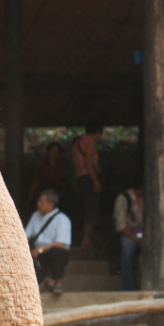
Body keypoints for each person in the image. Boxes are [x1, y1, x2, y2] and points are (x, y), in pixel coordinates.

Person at [24, 188, 71, 295]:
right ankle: (46, 280)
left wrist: (39, 250)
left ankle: (57, 282)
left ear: (50, 205)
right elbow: (26, 235)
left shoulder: (62, 219)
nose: (38, 204)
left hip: (53, 253)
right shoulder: (35, 216)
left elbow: (60, 243)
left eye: (41, 202)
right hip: (38, 252)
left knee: (56, 251)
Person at [71, 120, 103, 248]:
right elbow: (89, 162)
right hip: (88, 177)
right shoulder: (90, 141)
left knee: (85, 206)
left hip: (80, 177)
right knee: (90, 206)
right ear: (98, 131)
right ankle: (86, 238)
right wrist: (95, 180)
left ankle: (85, 237)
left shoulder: (78, 141)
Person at [113, 183, 144, 291]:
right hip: (130, 234)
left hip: (148, 233)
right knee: (127, 249)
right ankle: (129, 288)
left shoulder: (150, 198)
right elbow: (120, 226)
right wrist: (136, 238)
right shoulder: (124, 198)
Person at [27, 141, 67, 209]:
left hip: (59, 190)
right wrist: (30, 197)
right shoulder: (41, 164)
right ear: (48, 152)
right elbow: (36, 180)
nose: (55, 153)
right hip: (43, 189)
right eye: (52, 150)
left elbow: (65, 180)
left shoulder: (63, 164)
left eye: (57, 151)